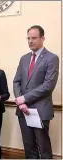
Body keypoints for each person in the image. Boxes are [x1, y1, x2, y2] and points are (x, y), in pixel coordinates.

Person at [13, 25, 59, 159]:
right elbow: (16, 81)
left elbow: (48, 85)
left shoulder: (51, 58)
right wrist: (20, 102)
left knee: (43, 149)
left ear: (42, 38)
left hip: (40, 110)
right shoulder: (24, 58)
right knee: (29, 148)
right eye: (28, 38)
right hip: (23, 110)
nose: (30, 41)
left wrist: (24, 98)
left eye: (34, 38)